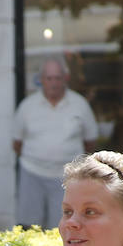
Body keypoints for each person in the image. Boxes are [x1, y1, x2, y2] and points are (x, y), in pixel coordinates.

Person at [12, 57, 98, 229]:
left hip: (68, 177)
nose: (54, 83)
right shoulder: (27, 106)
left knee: (65, 225)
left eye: (58, 78)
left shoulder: (80, 104)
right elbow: (17, 143)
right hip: (32, 173)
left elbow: (90, 142)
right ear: (41, 80)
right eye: (49, 78)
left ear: (65, 79)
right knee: (29, 227)